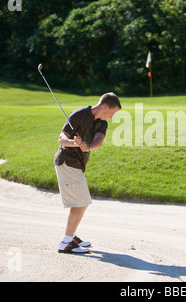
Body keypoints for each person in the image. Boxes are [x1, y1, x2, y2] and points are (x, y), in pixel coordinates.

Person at [54, 92, 121, 253]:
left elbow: (99, 141)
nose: (112, 116)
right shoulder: (79, 115)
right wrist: (74, 143)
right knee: (81, 202)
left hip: (77, 164)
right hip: (67, 162)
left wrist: (89, 147)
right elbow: (61, 139)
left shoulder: (102, 122)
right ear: (105, 107)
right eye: (112, 113)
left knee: (81, 202)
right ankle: (66, 242)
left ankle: (72, 235)